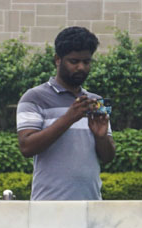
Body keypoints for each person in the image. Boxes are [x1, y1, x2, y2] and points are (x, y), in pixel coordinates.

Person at [17, 26, 115, 201]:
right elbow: (26, 147)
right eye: (74, 61)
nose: (81, 67)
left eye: (87, 62)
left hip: (91, 204)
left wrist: (101, 137)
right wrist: (69, 118)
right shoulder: (34, 97)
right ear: (57, 60)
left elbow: (108, 157)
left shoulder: (96, 101)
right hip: (49, 206)